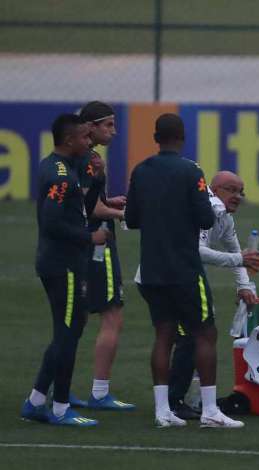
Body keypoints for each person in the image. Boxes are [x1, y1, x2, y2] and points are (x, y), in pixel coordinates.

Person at [125, 113, 242, 428]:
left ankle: (163, 411)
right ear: (183, 138)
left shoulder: (141, 170)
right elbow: (206, 217)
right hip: (184, 268)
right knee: (205, 333)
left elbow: (132, 218)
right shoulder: (192, 171)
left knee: (164, 335)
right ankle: (209, 411)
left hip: (151, 268)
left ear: (155, 137)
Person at [21, 113, 110, 426]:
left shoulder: (65, 168)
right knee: (68, 335)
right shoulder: (61, 175)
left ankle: (35, 400)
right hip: (64, 265)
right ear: (70, 140)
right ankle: (60, 408)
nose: (90, 142)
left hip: (64, 262)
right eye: (85, 138)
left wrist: (98, 179)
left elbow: (80, 209)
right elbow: (52, 221)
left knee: (67, 330)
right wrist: (91, 237)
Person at [168, 171, 259, 420]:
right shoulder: (209, 208)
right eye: (232, 190)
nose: (238, 197)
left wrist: (245, 287)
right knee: (196, 334)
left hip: (181, 272)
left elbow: (235, 253)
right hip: (176, 273)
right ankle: (176, 400)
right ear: (215, 189)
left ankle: (175, 400)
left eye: (241, 192)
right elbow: (199, 250)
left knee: (188, 334)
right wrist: (239, 260)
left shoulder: (224, 218)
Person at [66, 101, 134, 411]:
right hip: (97, 245)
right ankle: (99, 392)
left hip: (76, 242)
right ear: (90, 127)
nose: (114, 131)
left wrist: (111, 200)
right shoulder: (92, 161)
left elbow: (89, 200)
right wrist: (124, 212)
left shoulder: (76, 157)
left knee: (73, 318)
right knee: (112, 314)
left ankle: (58, 389)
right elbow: (92, 210)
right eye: (108, 125)